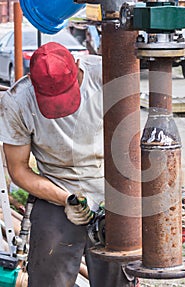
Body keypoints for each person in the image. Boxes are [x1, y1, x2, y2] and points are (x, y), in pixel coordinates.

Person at [0, 42, 137, 287]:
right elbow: (18, 168)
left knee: (117, 277)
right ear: (32, 79)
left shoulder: (106, 75)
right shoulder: (17, 101)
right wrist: (65, 199)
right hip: (56, 190)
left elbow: (131, 143)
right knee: (47, 277)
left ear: (77, 66)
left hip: (111, 188)